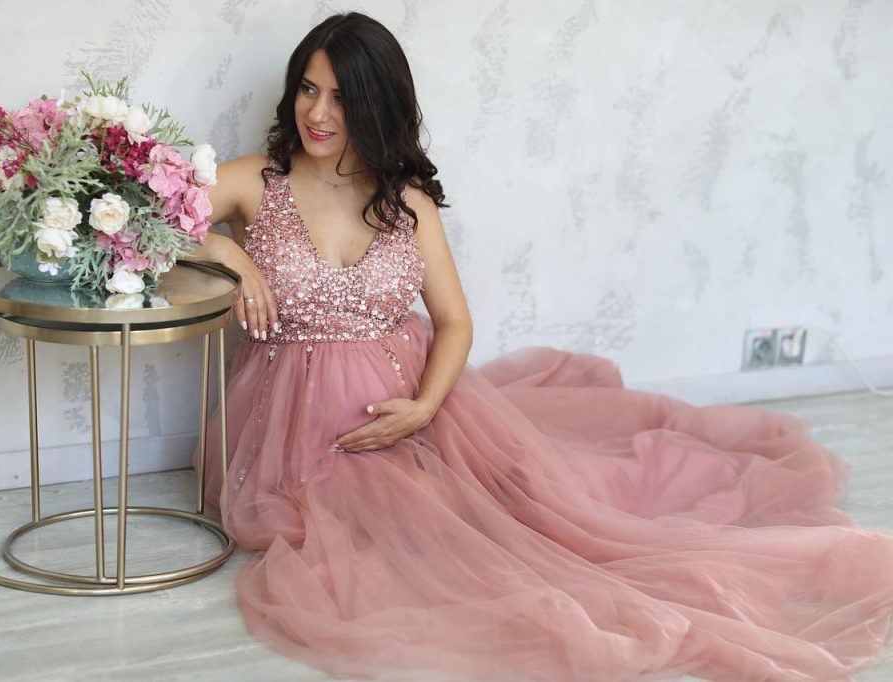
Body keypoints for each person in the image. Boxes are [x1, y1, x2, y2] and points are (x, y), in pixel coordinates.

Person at [192, 12, 893, 682]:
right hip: (296, 422)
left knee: (521, 521)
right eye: (308, 89)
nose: (318, 113)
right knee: (393, 537)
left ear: (375, 103)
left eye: (341, 97)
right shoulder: (258, 180)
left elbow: (454, 321)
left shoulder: (407, 203)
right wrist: (229, 253)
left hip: (415, 410)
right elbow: (152, 223)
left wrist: (425, 407)